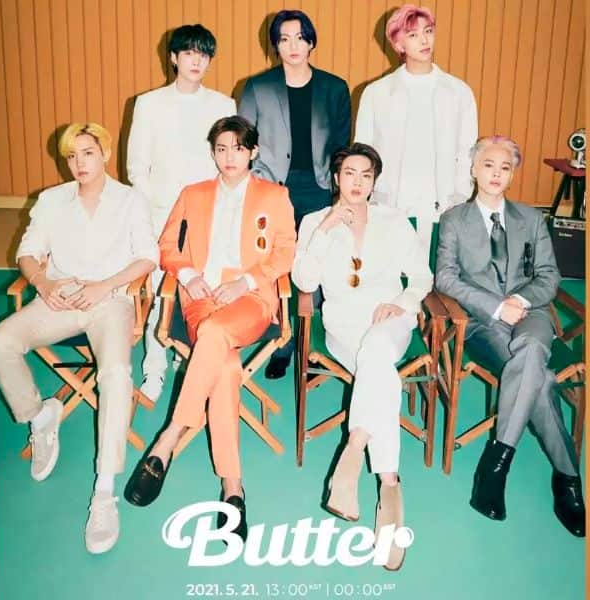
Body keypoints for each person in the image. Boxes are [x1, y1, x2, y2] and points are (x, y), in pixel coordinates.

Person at [124, 116, 296, 540]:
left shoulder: (274, 195)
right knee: (226, 367)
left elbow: (285, 252)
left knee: (216, 337)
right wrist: (187, 275)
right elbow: (167, 246)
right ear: (213, 153)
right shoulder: (194, 193)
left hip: (251, 299)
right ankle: (233, 488)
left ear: (253, 152)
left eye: (238, 148)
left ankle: (168, 438)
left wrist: (246, 282)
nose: (229, 157)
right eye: (221, 149)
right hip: (200, 298)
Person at [0, 123, 159, 554]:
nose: (79, 163)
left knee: (116, 374)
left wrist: (104, 287)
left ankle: (104, 492)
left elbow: (148, 256)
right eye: (71, 156)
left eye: (87, 153)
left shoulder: (130, 200)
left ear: (105, 154)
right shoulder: (51, 200)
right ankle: (40, 417)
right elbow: (27, 253)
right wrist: (44, 283)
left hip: (110, 300)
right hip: (60, 297)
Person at [435, 135, 586, 537]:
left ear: (513, 174)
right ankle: (568, 479)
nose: (496, 174)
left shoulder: (531, 219)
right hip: (483, 323)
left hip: (531, 314)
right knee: (542, 380)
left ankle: (496, 463)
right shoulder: (454, 220)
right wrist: (496, 306)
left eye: (505, 167)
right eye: (488, 165)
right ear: (473, 169)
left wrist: (520, 299)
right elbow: (445, 278)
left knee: (532, 345)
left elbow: (549, 276)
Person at [292, 143, 433, 569]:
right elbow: (304, 281)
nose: (357, 182)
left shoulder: (394, 221)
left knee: (377, 350)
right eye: (349, 173)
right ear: (336, 178)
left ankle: (354, 453)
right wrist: (325, 230)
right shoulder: (315, 221)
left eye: (366, 175)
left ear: (374, 181)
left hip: (390, 320)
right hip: (343, 326)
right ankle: (390, 493)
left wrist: (402, 303)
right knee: (378, 365)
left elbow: (422, 277)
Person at [239, 9, 351, 379]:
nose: (293, 46)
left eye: (300, 37)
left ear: (311, 42)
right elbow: (244, 142)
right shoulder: (257, 87)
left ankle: (312, 346)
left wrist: (339, 192)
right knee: (279, 266)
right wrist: (259, 185)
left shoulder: (334, 88)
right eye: (284, 39)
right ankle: (283, 344)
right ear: (275, 45)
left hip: (319, 188)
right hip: (274, 189)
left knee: (317, 264)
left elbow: (341, 145)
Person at [128, 23, 236, 402]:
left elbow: (229, 163)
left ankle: (191, 359)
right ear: (173, 58)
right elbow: (136, 168)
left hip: (210, 214)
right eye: (188, 53)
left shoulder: (223, 105)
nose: (196, 61)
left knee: (203, 287)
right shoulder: (149, 104)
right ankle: (154, 369)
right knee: (163, 292)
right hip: (163, 214)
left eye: (203, 54)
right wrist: (157, 210)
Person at [355, 4, 477, 254]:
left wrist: (459, 195)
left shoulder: (459, 92)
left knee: (435, 273)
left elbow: (467, 150)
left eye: (428, 31)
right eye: (413, 35)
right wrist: (371, 195)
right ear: (398, 45)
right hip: (390, 202)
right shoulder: (376, 93)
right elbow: (363, 150)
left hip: (442, 204)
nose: (424, 40)